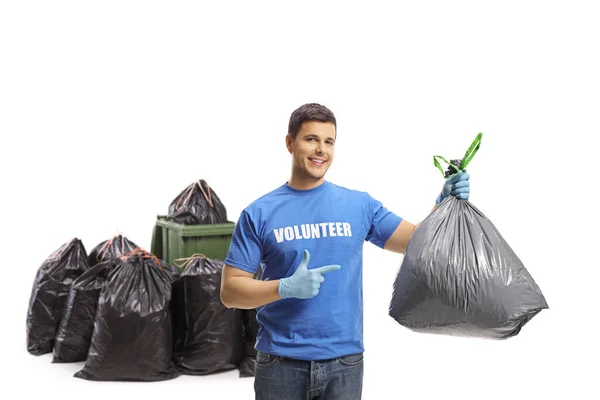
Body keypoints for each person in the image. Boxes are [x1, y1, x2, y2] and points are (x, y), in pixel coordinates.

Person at [220, 103, 470, 400]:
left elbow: (416, 241)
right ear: (290, 142)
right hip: (280, 364)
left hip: (345, 363)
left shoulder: (358, 205)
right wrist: (284, 288)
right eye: (311, 139)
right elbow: (230, 291)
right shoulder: (259, 213)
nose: (321, 150)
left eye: (329, 142)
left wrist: (443, 204)